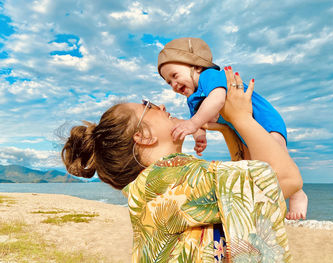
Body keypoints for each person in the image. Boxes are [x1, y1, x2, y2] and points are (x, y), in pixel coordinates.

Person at [61, 68, 302, 262]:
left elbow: (246, 180)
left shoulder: (154, 187)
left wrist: (228, 127)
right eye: (149, 106)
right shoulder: (176, 179)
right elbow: (285, 179)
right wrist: (241, 117)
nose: (162, 106)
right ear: (144, 137)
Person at [158, 37, 307, 221]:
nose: (173, 85)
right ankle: (274, 204)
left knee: (277, 152)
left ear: (196, 66)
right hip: (242, 130)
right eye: (168, 83)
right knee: (258, 169)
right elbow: (199, 120)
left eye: (174, 75)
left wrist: (193, 124)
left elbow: (217, 99)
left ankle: (298, 193)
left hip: (264, 119)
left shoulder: (209, 76)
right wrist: (199, 136)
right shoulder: (192, 98)